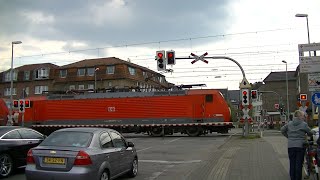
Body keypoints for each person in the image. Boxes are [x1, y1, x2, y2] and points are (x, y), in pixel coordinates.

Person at [281, 110, 315, 180]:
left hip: (290, 146)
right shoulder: (304, 124)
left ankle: (292, 178)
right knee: (298, 164)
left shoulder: (289, 123)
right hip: (300, 146)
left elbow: (282, 130)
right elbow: (309, 132)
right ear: (299, 116)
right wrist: (313, 132)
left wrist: (288, 137)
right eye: (303, 116)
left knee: (292, 163)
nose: (304, 117)